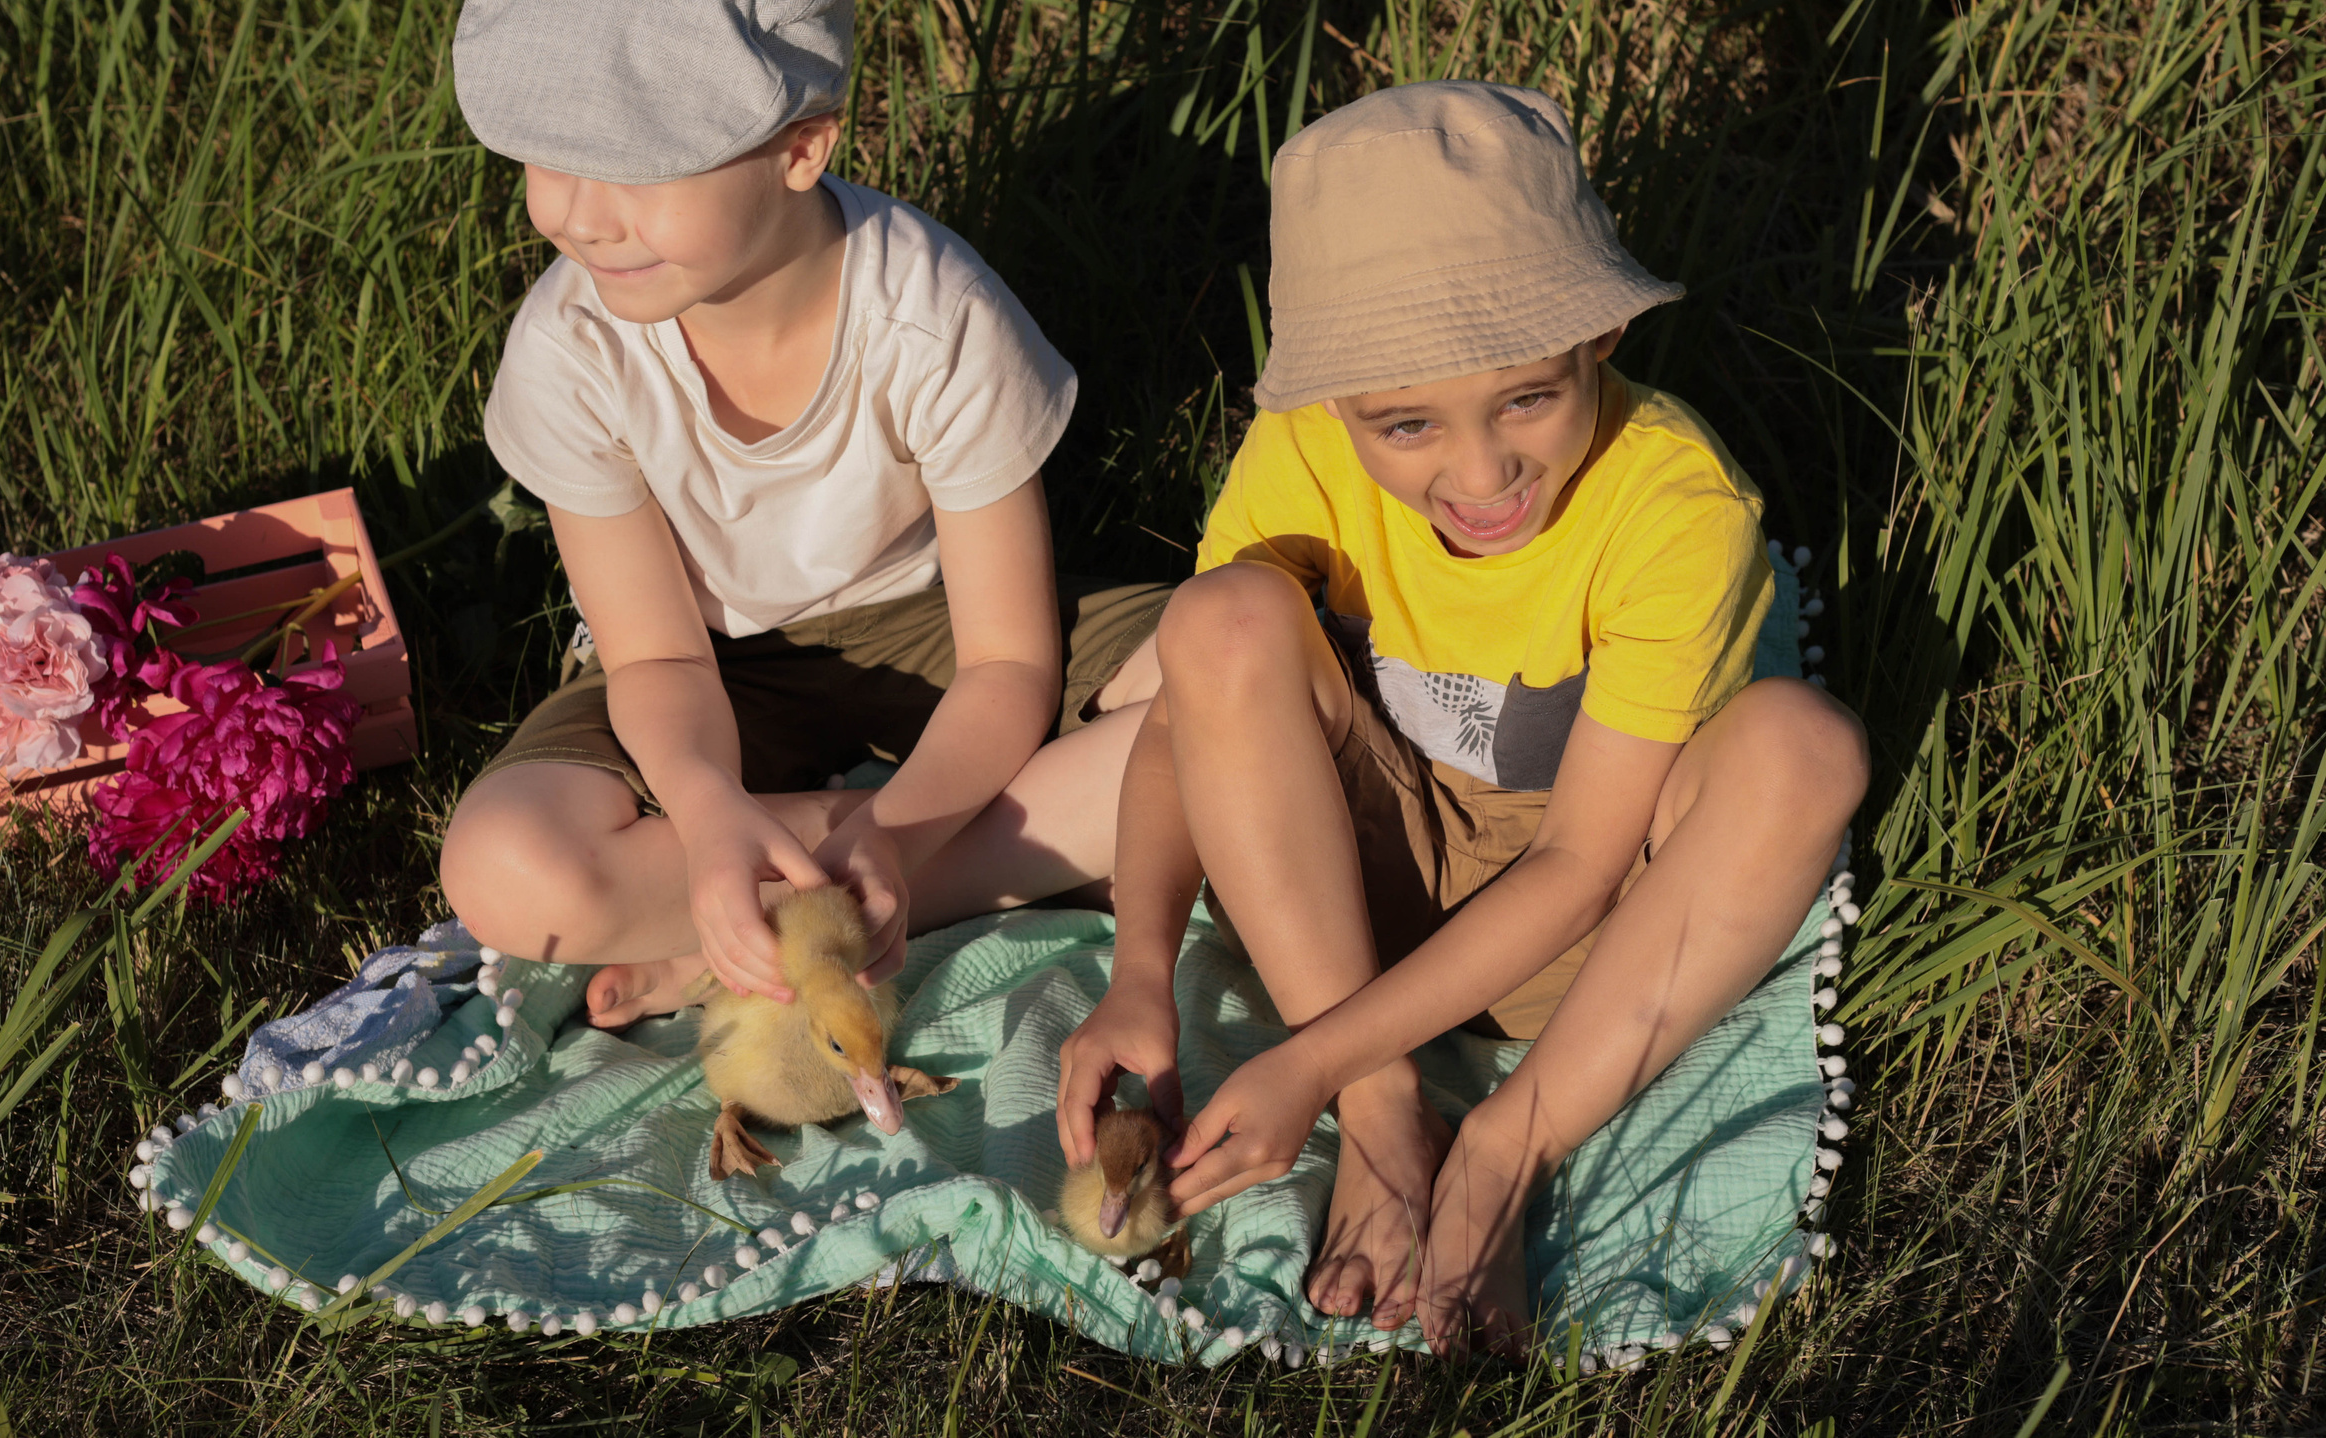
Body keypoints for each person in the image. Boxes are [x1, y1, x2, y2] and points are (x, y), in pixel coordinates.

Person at [1054, 81, 1868, 1358]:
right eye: (1408, 425)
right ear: (1334, 404)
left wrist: (1304, 1062)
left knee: (1804, 747)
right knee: (1214, 620)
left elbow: (1581, 863)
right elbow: (1186, 723)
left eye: (1528, 399)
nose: (1482, 475)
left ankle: (1501, 1146)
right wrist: (1143, 972)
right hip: (1353, 898)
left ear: (1598, 339)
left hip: (1590, 931)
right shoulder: (1300, 450)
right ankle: (1391, 1122)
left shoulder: (1671, 500)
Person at [439, 0, 1166, 1027]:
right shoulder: (571, 350)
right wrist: (705, 816)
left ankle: (747, 927)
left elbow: (1006, 660)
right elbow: (655, 660)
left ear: (800, 147)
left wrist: (899, 833)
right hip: (706, 667)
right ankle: (1026, 851)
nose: (579, 215)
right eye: (547, 159)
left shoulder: (933, 317)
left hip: (931, 621)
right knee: (504, 865)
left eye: (638, 172)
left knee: (1235, 664)